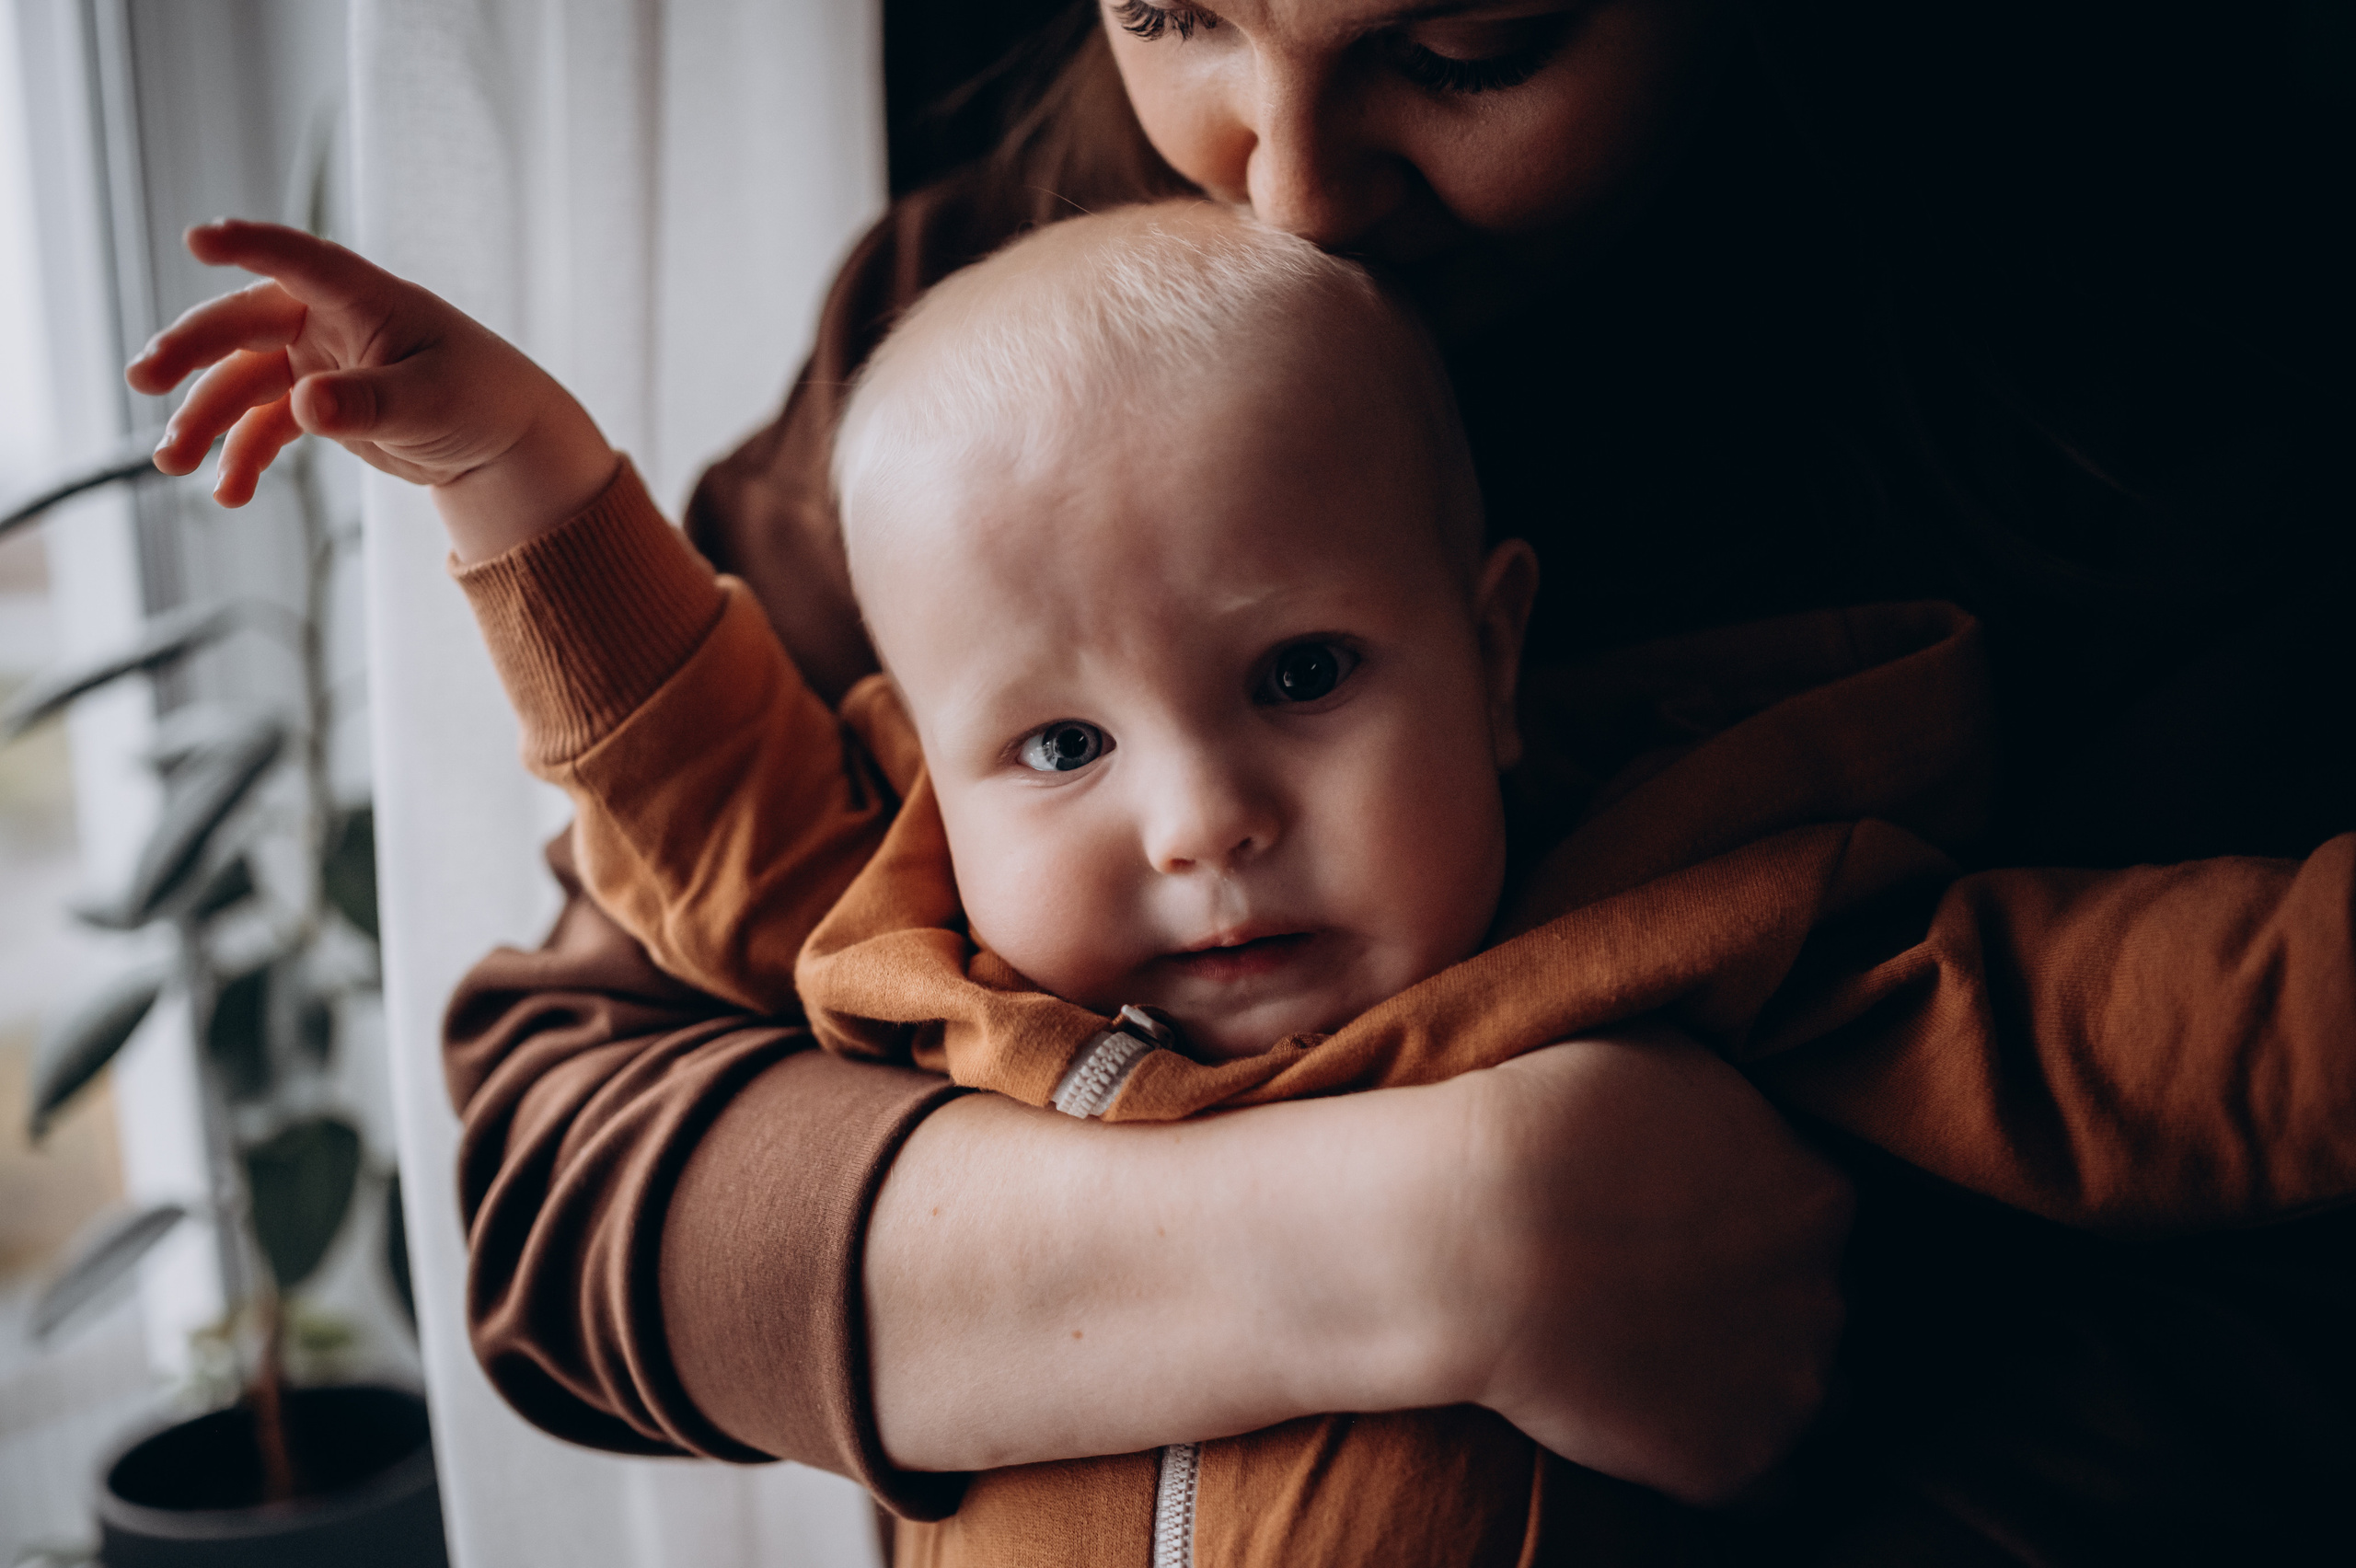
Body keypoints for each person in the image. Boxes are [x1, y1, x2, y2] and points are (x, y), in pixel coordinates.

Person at [133, 0, 2356, 1560]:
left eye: (1467, 44)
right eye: (1173, 5)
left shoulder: (1696, 890)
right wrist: (1399, 1248)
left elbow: (2159, 1023)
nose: (1283, 179)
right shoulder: (932, 834)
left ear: (1492, 659)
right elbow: (589, 1073)